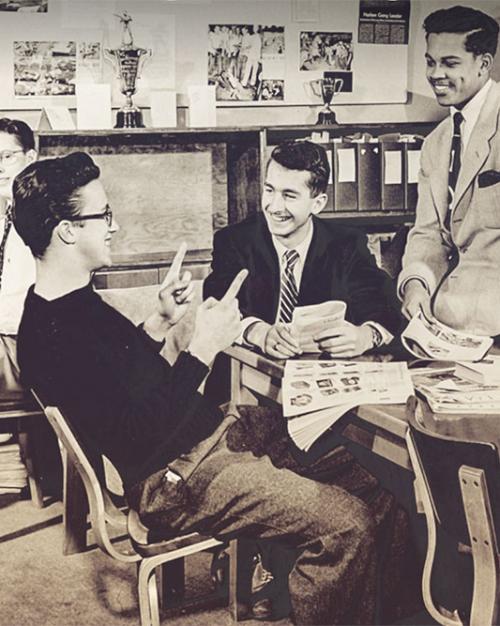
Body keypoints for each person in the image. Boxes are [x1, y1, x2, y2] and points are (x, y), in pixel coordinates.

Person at [14, 152, 378, 626]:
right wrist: (202, 351)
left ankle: (355, 605)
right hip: (174, 479)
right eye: (103, 214)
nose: (114, 225)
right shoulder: (50, 336)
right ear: (67, 230)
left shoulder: (64, 303)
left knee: (372, 473)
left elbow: (115, 381)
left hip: (203, 437)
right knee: (347, 524)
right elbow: (137, 434)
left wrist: (157, 323)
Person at [204, 140, 402, 361]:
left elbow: (386, 307)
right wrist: (258, 333)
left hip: (323, 378)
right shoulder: (234, 241)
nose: (274, 206)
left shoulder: (345, 244)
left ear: (317, 204)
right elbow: (215, 305)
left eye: (289, 195)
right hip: (245, 376)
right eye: (269, 190)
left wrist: (366, 336)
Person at [398, 5, 500, 337]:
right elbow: (428, 233)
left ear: (484, 64)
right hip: (448, 326)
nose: (436, 74)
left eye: (450, 63)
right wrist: (416, 283)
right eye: (430, 61)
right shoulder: (436, 143)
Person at [0, 118, 37, 443]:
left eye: (7, 156)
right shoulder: (5, 217)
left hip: (26, 341)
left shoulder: (43, 216)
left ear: (31, 158)